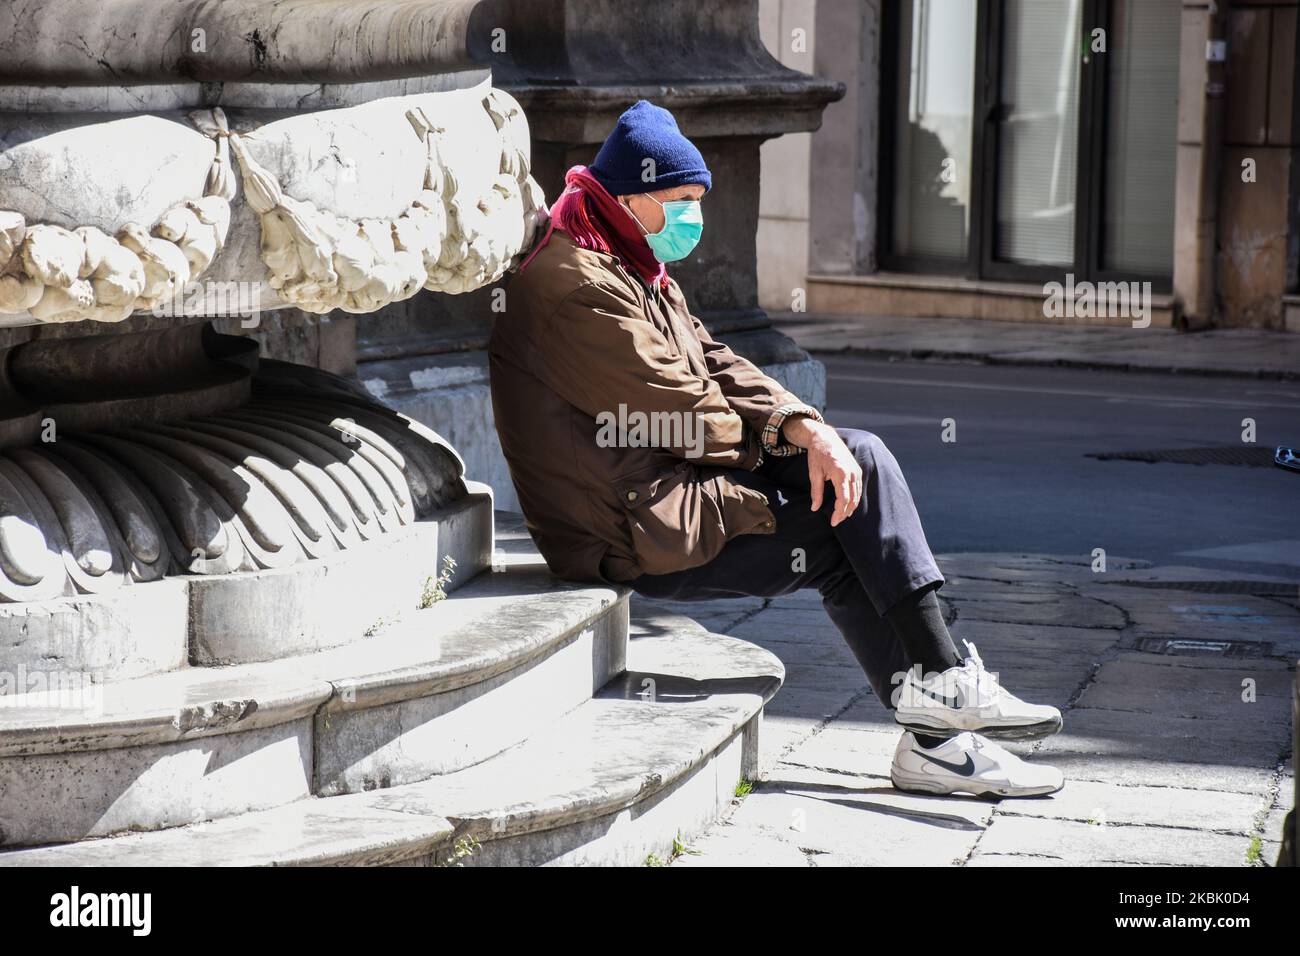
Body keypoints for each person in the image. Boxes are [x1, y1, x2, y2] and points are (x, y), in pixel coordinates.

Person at [488, 100, 1066, 798]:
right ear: (634, 197)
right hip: (624, 525)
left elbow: (716, 359)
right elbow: (687, 415)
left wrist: (803, 427)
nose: (692, 220)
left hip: (664, 494)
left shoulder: (626, 260)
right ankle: (942, 712)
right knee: (847, 515)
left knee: (857, 465)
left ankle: (940, 714)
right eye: (681, 202)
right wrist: (786, 445)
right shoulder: (576, 286)